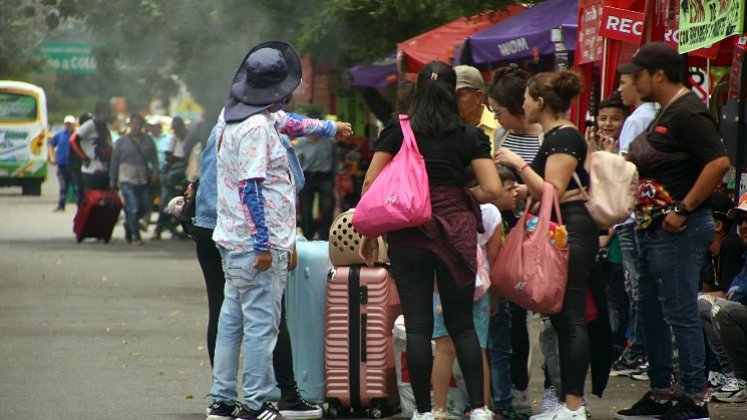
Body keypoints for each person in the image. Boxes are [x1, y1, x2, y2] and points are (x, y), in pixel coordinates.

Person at [206, 41, 352, 420]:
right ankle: (254, 405)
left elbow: (290, 123)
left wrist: (330, 127)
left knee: (232, 321)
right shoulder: (255, 128)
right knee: (261, 328)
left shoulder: (235, 117)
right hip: (257, 247)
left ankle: (222, 401)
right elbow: (250, 188)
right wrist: (264, 245)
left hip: (231, 242)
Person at [359, 61, 501, 420]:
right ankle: (481, 409)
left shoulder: (399, 129)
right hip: (456, 233)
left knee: (419, 326)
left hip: (409, 233)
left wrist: (371, 233)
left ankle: (424, 411)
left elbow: (370, 186)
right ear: (453, 93)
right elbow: (493, 189)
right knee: (462, 324)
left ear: (419, 90)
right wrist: (458, 197)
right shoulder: (470, 135)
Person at [615, 42, 731, 420]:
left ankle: (695, 399)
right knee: (650, 312)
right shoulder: (664, 111)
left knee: (680, 313)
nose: (632, 80)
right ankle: (661, 393)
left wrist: (683, 209)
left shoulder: (688, 111)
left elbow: (718, 163)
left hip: (678, 229)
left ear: (658, 75)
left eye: (638, 74)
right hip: (652, 228)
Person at [495, 70, 599, 420]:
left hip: (571, 230)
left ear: (540, 102)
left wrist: (517, 163)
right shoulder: (555, 135)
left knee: (570, 318)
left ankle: (573, 406)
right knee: (563, 318)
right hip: (565, 226)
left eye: (526, 97)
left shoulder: (563, 137)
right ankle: (569, 403)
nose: (522, 103)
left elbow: (550, 189)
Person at [487, 64, 543, 416]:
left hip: (535, 237)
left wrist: (524, 189)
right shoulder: (499, 138)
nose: (496, 119)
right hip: (504, 236)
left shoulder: (544, 137)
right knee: (504, 317)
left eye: (498, 112)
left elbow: (551, 187)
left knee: (525, 316)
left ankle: (521, 389)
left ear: (517, 109)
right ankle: (504, 390)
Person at [608, 71, 658, 378]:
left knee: (638, 285)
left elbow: (625, 169)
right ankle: (642, 349)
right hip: (648, 212)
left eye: (623, 83)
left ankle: (639, 350)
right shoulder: (655, 113)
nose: (619, 89)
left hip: (633, 214)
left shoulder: (638, 118)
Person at [697, 193, 744, 392]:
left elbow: (728, 294)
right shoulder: (709, 250)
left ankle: (734, 374)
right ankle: (713, 371)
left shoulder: (732, 245)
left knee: (714, 308)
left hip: (737, 312)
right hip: (733, 309)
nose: (744, 226)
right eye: (741, 221)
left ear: (717, 225)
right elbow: (708, 289)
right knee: (697, 306)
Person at [109, 114, 159, 245]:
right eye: (134, 124)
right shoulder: (121, 141)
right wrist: (112, 180)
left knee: (145, 205)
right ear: (129, 125)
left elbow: (154, 159)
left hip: (143, 178)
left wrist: (155, 172)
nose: (136, 126)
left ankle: (130, 224)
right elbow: (115, 161)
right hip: (126, 178)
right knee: (133, 207)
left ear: (142, 126)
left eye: (139, 124)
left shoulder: (148, 140)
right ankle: (136, 235)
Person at [295, 120, 337, 240]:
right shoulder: (301, 142)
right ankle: (308, 234)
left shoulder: (329, 142)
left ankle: (324, 234)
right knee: (305, 207)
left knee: (327, 206)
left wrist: (334, 178)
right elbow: (297, 162)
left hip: (324, 176)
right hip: (307, 176)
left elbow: (334, 161)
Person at [153, 116, 189, 240]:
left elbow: (189, 156)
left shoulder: (189, 137)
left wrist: (178, 159)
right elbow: (169, 155)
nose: (177, 131)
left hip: (187, 170)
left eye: (178, 128)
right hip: (175, 170)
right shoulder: (174, 138)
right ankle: (158, 228)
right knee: (165, 197)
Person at [73, 101, 115, 191]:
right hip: (91, 172)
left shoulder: (104, 126)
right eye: (109, 112)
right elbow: (73, 140)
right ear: (102, 112)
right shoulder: (90, 125)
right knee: (93, 200)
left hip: (104, 170)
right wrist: (84, 157)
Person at [455, 65, 500, 149]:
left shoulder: (499, 126)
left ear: (478, 96)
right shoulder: (446, 128)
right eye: (449, 94)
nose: (453, 100)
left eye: (459, 95)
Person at [48, 115, 77, 212]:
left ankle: (81, 206)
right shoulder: (59, 134)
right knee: (63, 186)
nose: (68, 126)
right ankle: (61, 204)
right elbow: (51, 145)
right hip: (62, 163)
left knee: (77, 186)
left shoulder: (77, 135)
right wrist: (52, 157)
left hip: (74, 164)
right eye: (67, 124)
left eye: (70, 124)